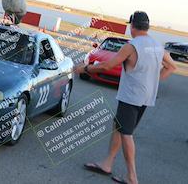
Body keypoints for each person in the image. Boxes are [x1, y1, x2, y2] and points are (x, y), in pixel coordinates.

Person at [76, 11, 177, 184]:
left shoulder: (132, 45)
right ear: (147, 26)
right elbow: (172, 67)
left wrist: (85, 69)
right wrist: (153, 80)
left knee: (126, 133)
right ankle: (107, 164)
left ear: (132, 26)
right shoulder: (156, 46)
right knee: (119, 126)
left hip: (131, 97)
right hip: (145, 97)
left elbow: (107, 66)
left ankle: (132, 177)